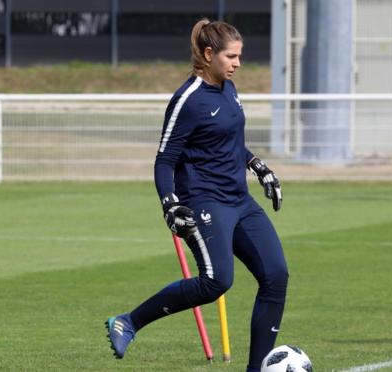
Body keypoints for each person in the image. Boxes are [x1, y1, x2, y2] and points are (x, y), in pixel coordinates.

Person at [105, 19, 287, 372]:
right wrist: (170, 204)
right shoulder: (186, 99)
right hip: (205, 201)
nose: (237, 63)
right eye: (231, 56)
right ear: (208, 54)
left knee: (276, 276)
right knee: (217, 280)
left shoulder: (229, 88)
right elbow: (164, 160)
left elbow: (229, 142)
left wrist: (257, 165)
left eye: (239, 56)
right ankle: (128, 322)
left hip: (240, 200)